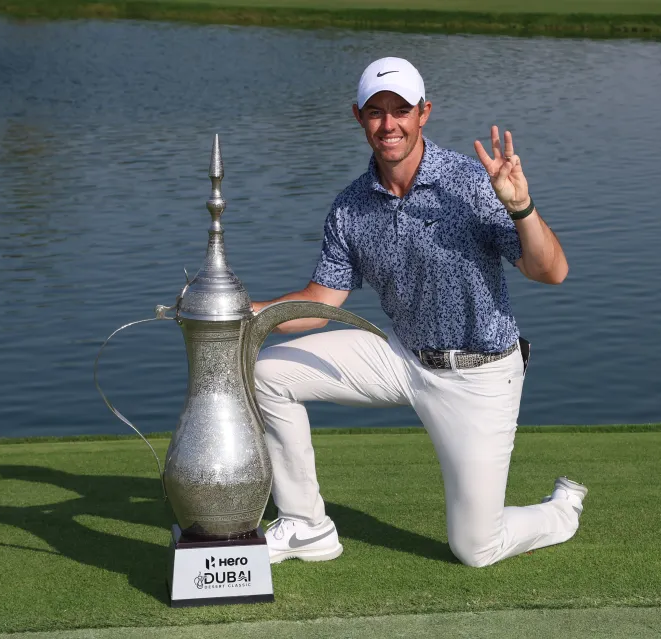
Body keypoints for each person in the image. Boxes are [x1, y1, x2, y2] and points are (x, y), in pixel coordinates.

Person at [251, 57, 587, 568]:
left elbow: (552, 271)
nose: (389, 124)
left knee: (476, 548)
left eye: (401, 110)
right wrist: (243, 311)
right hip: (401, 357)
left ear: (424, 113)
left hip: (480, 374)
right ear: (359, 117)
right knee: (267, 373)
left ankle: (561, 510)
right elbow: (320, 304)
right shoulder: (350, 207)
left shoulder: (471, 182)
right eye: (376, 112)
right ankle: (306, 526)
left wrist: (520, 206)